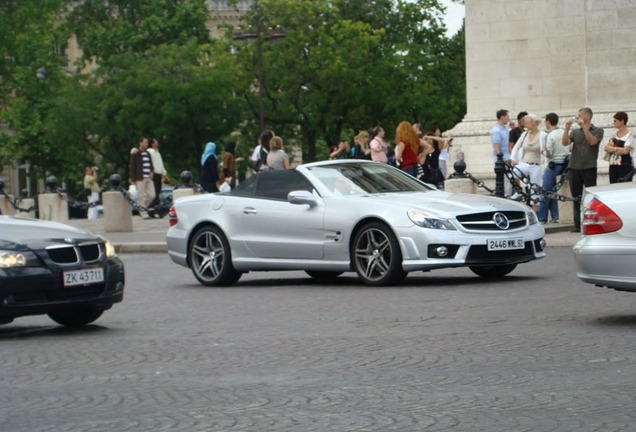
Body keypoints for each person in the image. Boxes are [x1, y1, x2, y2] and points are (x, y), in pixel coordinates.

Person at [562, 107, 604, 232]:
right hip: (574, 167)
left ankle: (592, 221)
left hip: (589, 167)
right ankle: (577, 224)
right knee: (576, 197)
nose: (577, 117)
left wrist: (585, 127)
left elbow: (592, 142)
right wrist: (567, 129)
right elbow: (564, 143)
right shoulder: (575, 132)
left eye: (580, 115)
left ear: (587, 116)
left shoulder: (598, 130)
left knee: (591, 197)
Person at [510, 114, 546, 212]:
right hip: (524, 163)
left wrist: (544, 153)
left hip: (536, 165)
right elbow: (516, 147)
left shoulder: (542, 135)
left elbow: (546, 150)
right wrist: (513, 158)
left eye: (527, 122)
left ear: (534, 123)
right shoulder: (525, 134)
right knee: (514, 172)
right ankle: (519, 191)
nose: (525, 124)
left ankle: (534, 212)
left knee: (535, 190)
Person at [537, 113, 568, 223]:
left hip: (553, 165)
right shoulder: (564, 132)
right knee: (553, 191)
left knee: (545, 191)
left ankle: (541, 217)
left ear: (548, 121)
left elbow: (549, 153)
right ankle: (555, 216)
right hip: (565, 165)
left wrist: (543, 152)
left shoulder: (550, 135)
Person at [603, 111, 634, 184]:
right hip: (613, 165)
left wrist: (613, 149)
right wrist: (616, 149)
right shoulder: (614, 135)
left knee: (624, 186)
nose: (613, 123)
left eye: (615, 121)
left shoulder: (630, 134)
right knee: (613, 186)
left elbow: (625, 151)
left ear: (622, 121)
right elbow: (606, 148)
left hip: (625, 165)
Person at [129, 136, 155, 219]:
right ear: (140, 143)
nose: (146, 144)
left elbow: (151, 164)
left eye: (147, 142)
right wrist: (133, 179)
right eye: (145, 142)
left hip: (149, 177)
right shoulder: (136, 153)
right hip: (140, 178)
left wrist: (152, 171)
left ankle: (141, 207)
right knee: (141, 196)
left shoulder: (148, 153)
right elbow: (132, 166)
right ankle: (144, 213)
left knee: (152, 195)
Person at [491, 109, 512, 197]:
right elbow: (497, 147)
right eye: (507, 116)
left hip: (508, 158)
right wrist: (502, 162)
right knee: (505, 184)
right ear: (502, 117)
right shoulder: (496, 130)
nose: (509, 118)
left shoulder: (505, 129)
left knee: (509, 183)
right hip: (503, 160)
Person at [147, 138, 169, 214]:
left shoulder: (157, 153)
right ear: (152, 143)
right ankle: (151, 208)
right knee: (155, 193)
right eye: (156, 141)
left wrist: (165, 174)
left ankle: (153, 210)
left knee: (158, 192)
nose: (157, 142)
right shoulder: (149, 152)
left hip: (159, 174)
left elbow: (161, 165)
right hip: (154, 174)